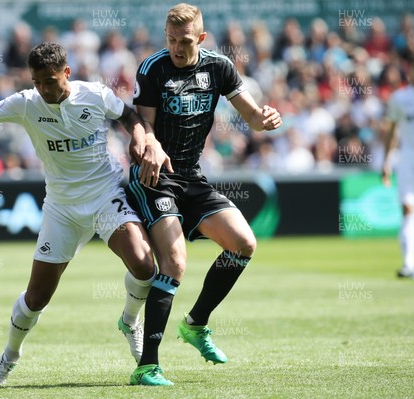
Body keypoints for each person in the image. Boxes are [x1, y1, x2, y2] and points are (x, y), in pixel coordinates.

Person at [0, 42, 163, 384]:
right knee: (36, 298)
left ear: (66, 73)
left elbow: (129, 115)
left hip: (104, 194)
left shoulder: (94, 95)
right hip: (62, 209)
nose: (44, 89)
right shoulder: (26, 103)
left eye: (50, 81)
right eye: (37, 82)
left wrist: (139, 138)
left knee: (144, 264)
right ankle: (9, 357)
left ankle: (130, 321)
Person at [126, 3, 282, 385]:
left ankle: (195, 323)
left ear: (202, 38)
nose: (177, 48)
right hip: (155, 177)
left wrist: (265, 119)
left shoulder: (219, 67)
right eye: (171, 40)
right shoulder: (152, 68)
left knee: (244, 243)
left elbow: (251, 116)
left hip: (192, 177)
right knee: (175, 263)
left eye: (184, 41)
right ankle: (147, 365)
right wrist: (150, 144)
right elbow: (141, 124)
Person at [382, 60, 414, 279]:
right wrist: (386, 161)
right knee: (408, 211)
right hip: (408, 160)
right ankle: (408, 265)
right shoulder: (400, 98)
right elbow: (392, 131)